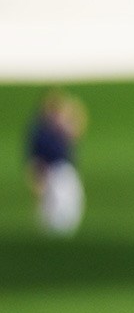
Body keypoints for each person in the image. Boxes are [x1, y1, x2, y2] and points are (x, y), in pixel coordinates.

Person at [26, 89, 88, 236]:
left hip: (65, 170)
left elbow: (77, 131)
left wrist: (72, 112)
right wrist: (37, 179)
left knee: (70, 204)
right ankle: (53, 234)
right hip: (52, 172)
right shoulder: (41, 131)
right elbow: (35, 158)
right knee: (52, 206)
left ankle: (63, 233)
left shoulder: (59, 127)